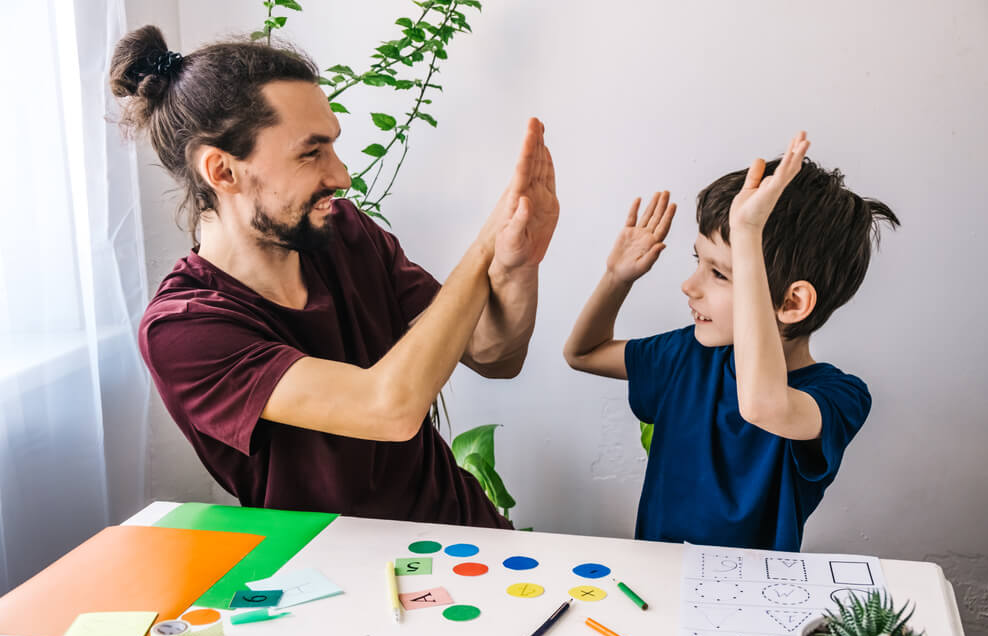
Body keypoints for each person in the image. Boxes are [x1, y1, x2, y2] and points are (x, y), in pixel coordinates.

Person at [110, 26, 558, 527]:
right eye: (311, 152)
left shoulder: (346, 233)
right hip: (336, 577)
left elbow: (494, 354)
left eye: (333, 147)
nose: (342, 175)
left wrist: (516, 265)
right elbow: (388, 410)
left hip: (469, 537)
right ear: (222, 171)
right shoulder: (184, 328)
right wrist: (483, 248)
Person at [563, 132, 899, 550]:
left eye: (720, 273)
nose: (689, 286)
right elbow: (582, 353)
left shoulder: (838, 397)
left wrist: (749, 233)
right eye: (697, 262)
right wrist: (617, 278)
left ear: (792, 303)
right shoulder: (686, 355)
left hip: (751, 606)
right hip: (655, 589)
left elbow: (761, 405)